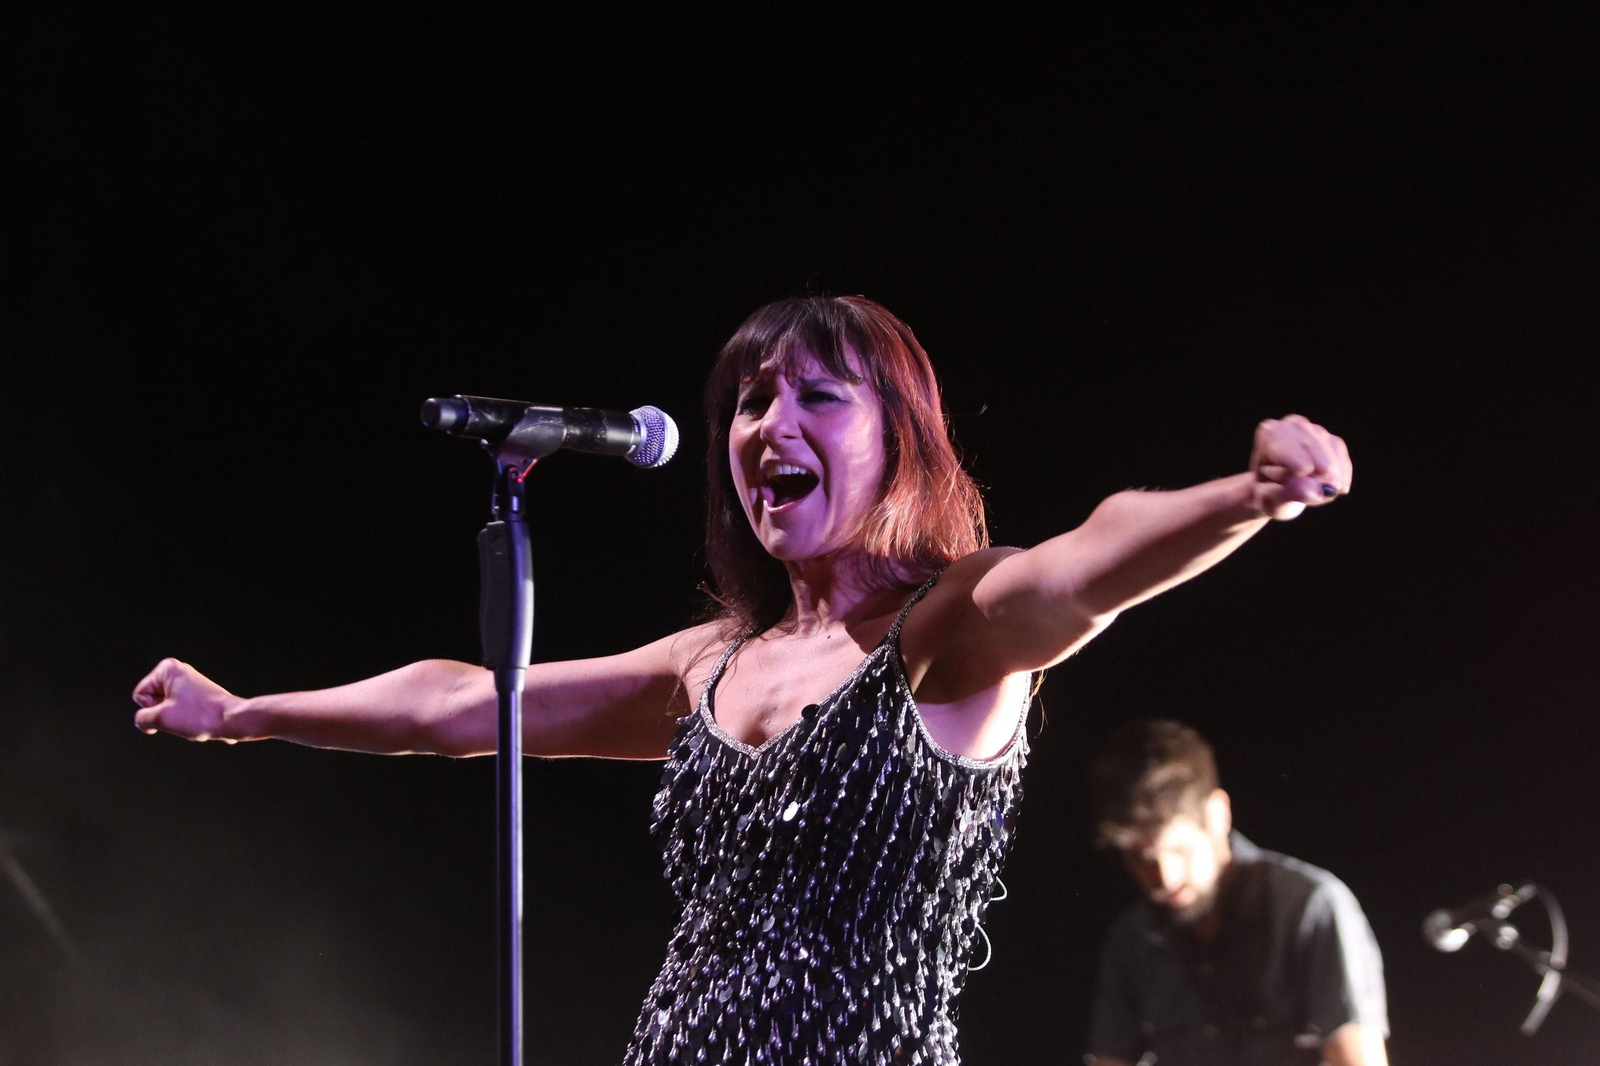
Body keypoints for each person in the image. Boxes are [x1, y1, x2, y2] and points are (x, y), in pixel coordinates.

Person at [133, 295, 1353, 1065]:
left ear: (899, 440)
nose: (772, 423)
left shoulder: (947, 629)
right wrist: (245, 714)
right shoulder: (709, 666)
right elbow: (465, 706)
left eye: (819, 396)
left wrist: (1242, 500)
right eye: (752, 400)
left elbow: (1093, 559)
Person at [1084, 720, 1388, 1066]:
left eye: (1180, 850)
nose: (1165, 878)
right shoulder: (1131, 938)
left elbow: (1358, 1059)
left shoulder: (1310, 906)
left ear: (1217, 815)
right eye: (1141, 858)